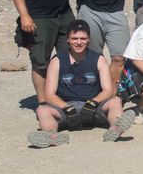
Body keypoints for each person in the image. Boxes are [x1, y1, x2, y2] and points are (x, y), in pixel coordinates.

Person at [27, 19, 135, 148]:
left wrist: (92, 103)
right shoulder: (57, 60)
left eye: (83, 39)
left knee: (115, 101)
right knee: (42, 110)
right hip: (66, 108)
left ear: (89, 39)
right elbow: (49, 94)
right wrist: (67, 108)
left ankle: (115, 128)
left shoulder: (98, 59)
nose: (79, 42)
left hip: (94, 106)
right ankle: (52, 135)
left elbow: (107, 90)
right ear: (68, 39)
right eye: (74, 38)